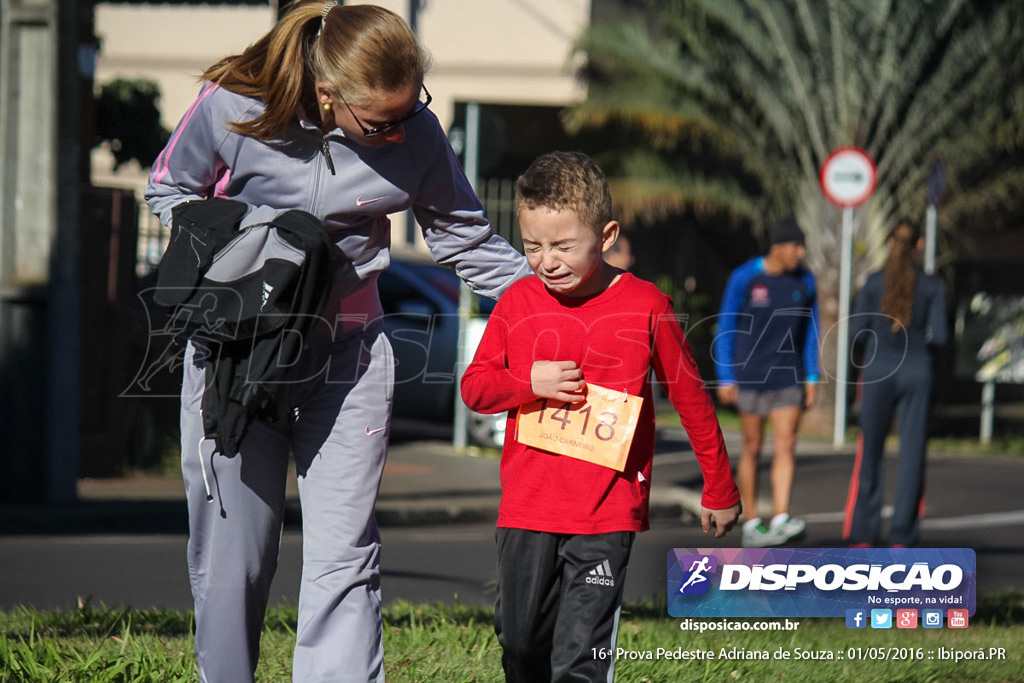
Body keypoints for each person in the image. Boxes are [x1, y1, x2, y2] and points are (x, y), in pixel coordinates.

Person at [144, 3, 531, 681]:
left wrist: (568, 304)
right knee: (233, 555)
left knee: (346, 558)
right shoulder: (234, 105)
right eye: (381, 122)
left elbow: (465, 238)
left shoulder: (416, 134)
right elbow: (168, 188)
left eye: (412, 111)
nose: (399, 133)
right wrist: (255, 243)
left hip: (347, 360)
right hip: (240, 357)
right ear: (327, 95)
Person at [461, 151, 740, 682]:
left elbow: (692, 401)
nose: (547, 261)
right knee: (520, 647)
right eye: (533, 246)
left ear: (607, 235)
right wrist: (529, 383)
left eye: (563, 246)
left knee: (579, 658)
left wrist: (719, 488)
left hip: (606, 511)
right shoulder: (517, 302)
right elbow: (474, 388)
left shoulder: (647, 306)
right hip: (527, 508)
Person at [713, 217, 820, 548]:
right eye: (795, 246)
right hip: (749, 376)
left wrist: (812, 376)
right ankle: (753, 523)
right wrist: (726, 375)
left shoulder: (805, 281)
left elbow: (811, 331)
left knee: (786, 443)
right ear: (778, 246)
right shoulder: (745, 277)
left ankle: (781, 516)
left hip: (788, 375)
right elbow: (725, 325)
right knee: (752, 446)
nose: (800, 253)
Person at [843, 220, 948, 548]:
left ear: (890, 242)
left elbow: (856, 332)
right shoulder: (933, 286)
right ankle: (902, 535)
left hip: (878, 371)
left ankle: (864, 534)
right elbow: (941, 337)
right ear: (919, 246)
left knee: (870, 451)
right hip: (917, 371)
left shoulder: (874, 283)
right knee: (913, 452)